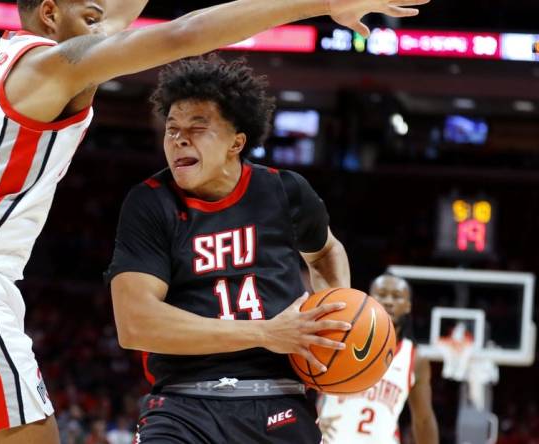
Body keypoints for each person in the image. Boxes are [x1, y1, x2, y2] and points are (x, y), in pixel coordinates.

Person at [0, 0, 429, 442]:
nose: (108, 33)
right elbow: (180, 35)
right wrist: (320, 2)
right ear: (50, 14)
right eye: (92, 21)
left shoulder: (25, 59)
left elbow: (121, 16)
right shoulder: (44, 65)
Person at [106, 55, 354, 443]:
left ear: (236, 142)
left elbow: (325, 251)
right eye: (172, 129)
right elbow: (136, 324)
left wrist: (339, 314)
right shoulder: (149, 203)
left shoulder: (284, 191)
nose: (179, 139)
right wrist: (265, 333)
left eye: (197, 127)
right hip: (182, 406)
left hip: (280, 401)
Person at [317, 274, 439, 444]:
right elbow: (304, 383)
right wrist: (311, 420)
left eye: (397, 296)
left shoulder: (414, 357)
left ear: (408, 306)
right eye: (381, 294)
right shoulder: (341, 338)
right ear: (369, 299)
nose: (389, 301)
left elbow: (423, 420)